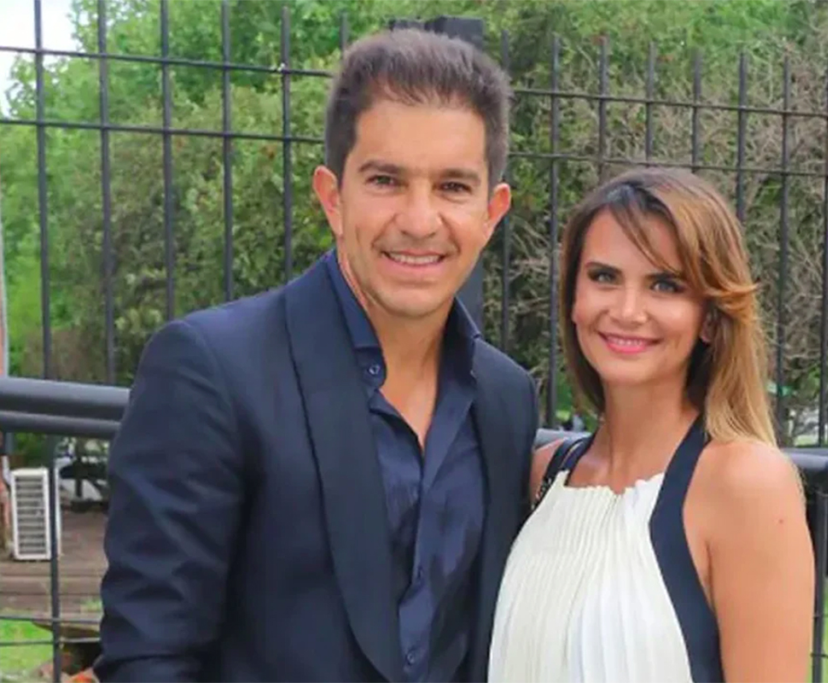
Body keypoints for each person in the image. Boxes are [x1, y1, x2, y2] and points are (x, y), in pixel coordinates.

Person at [96, 27, 539, 682]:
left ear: (491, 212)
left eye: (452, 186)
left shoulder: (506, 398)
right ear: (333, 197)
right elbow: (149, 659)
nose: (419, 220)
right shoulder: (212, 370)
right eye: (386, 180)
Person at [488, 168, 815, 682]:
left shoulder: (745, 484)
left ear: (711, 317)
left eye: (665, 285)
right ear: (573, 300)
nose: (627, 310)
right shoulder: (541, 477)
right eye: (604, 277)